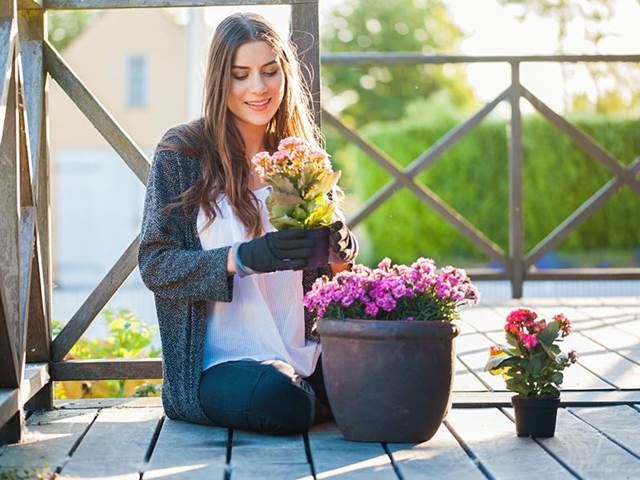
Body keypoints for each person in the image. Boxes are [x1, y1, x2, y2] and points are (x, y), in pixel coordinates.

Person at [137, 12, 358, 435]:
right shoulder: (183, 154)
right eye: (241, 75)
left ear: (286, 75)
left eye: (270, 71)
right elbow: (156, 266)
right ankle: (319, 402)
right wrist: (244, 258)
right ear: (221, 81)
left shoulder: (300, 157)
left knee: (385, 374)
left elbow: (331, 279)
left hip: (302, 351)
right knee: (280, 399)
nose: (258, 88)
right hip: (219, 364)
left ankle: (317, 397)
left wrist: (340, 253)